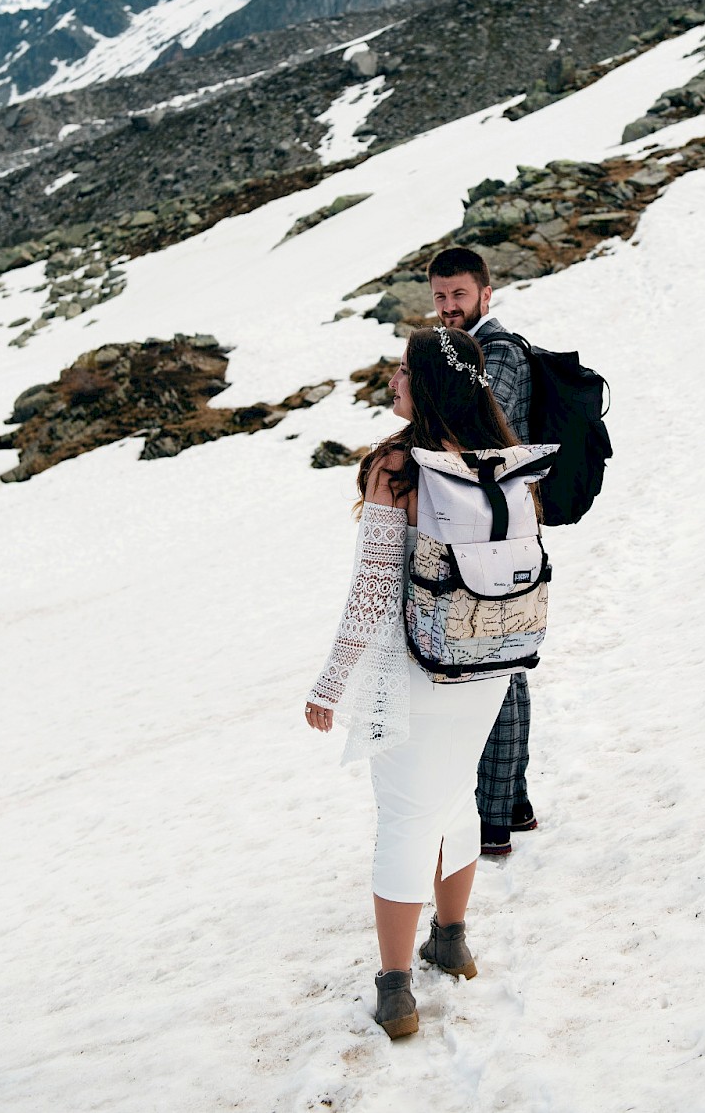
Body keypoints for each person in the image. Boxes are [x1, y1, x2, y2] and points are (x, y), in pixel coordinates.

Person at [305, 325, 521, 1039]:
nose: (392, 380)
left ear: (424, 383)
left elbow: (371, 591)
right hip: (489, 659)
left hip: (417, 666)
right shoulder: (502, 457)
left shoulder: (399, 465)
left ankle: (395, 988)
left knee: (401, 814)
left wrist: (330, 683)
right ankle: (451, 938)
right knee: (454, 793)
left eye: (402, 370)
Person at [426, 246, 536, 858]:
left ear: (485, 295)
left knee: (497, 667)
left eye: (458, 297)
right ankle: (510, 806)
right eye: (440, 298)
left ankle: (494, 819)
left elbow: (482, 435)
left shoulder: (498, 352)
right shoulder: (463, 350)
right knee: (502, 662)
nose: (447, 309)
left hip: (499, 536)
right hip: (491, 531)